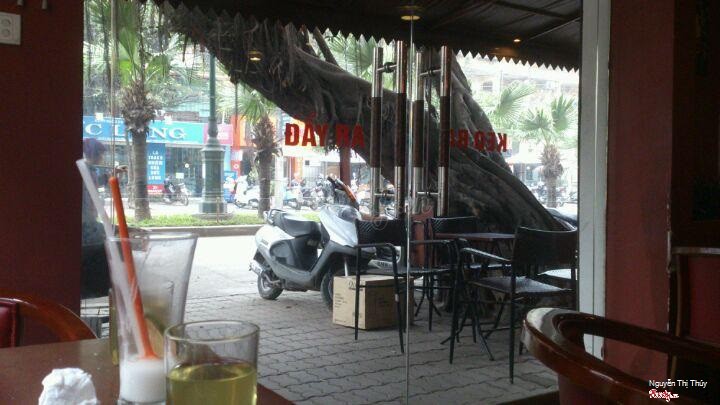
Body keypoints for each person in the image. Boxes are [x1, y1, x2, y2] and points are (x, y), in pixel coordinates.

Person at [81, 138, 112, 299]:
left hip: (90, 221)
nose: (102, 157)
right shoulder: (84, 170)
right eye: (101, 154)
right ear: (94, 153)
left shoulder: (90, 170)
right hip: (86, 223)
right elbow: (88, 194)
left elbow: (93, 186)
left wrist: (109, 177)